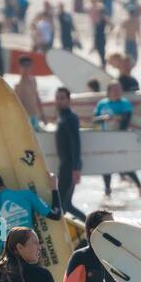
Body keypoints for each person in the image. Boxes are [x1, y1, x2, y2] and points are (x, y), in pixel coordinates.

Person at [93, 81, 141, 200]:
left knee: (122, 165)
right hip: (105, 139)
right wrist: (103, 118)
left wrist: (116, 118)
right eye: (114, 90)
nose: (117, 92)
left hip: (119, 139)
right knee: (106, 166)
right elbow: (94, 120)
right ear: (109, 91)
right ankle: (107, 191)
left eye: (119, 89)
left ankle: (139, 186)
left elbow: (126, 121)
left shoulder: (124, 103)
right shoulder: (102, 104)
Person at [53, 88, 86, 222]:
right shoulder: (61, 117)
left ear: (68, 100)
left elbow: (75, 143)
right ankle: (87, 225)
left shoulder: (70, 118)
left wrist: (75, 168)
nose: (59, 101)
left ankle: (89, 224)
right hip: (65, 165)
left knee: (63, 204)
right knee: (66, 204)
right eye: (57, 98)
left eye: (62, 98)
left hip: (69, 166)